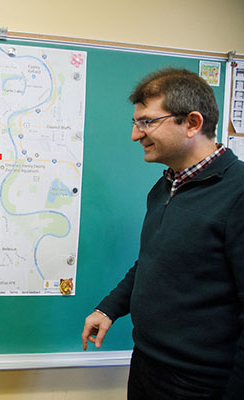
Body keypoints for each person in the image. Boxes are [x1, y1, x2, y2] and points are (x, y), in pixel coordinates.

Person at [81, 68, 244, 399]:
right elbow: (153, 260)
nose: (135, 135)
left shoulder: (238, 194)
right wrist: (110, 308)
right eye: (135, 122)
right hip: (145, 364)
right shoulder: (166, 186)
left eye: (146, 122)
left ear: (192, 123)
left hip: (199, 383)